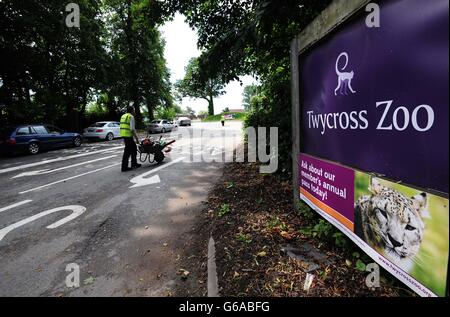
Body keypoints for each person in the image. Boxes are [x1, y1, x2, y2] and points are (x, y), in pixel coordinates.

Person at [120, 106, 141, 172]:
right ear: (132, 111)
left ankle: (134, 164)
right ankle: (124, 167)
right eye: (134, 110)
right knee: (127, 152)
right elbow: (132, 129)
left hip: (124, 135)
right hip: (128, 136)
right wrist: (137, 138)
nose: (134, 111)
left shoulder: (123, 116)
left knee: (134, 149)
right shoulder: (131, 117)